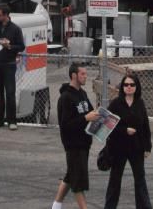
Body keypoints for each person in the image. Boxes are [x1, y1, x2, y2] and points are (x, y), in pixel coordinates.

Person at [52, 62, 100, 209]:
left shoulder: (83, 94)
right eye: (83, 74)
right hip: (73, 145)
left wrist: (103, 117)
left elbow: (92, 113)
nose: (86, 76)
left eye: (86, 73)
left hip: (85, 143)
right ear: (74, 76)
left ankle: (56, 205)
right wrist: (86, 118)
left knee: (71, 175)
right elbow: (65, 126)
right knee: (78, 182)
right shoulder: (65, 98)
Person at [103, 73, 152, 209]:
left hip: (137, 148)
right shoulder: (116, 103)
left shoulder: (140, 103)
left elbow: (145, 126)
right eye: (126, 85)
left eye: (132, 85)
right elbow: (108, 125)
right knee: (115, 181)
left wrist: (148, 147)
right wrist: (124, 130)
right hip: (119, 148)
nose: (129, 87)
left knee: (140, 180)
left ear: (136, 87)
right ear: (122, 87)